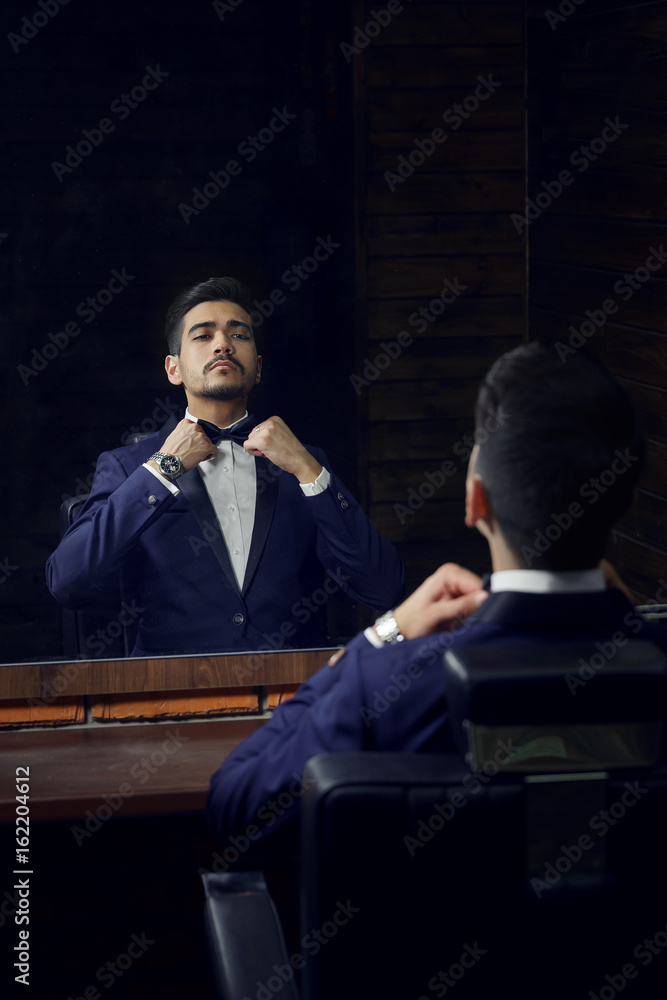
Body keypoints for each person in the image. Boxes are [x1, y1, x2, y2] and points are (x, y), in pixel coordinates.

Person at [206, 340, 667, 847]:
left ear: (475, 502)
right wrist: (634, 628)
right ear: (627, 503)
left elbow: (234, 806)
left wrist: (381, 639)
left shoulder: (383, 684)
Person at [46, 277, 404, 656]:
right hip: (167, 697)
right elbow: (67, 582)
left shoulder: (304, 463)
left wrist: (308, 471)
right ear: (174, 369)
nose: (223, 344)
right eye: (202, 336)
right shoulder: (127, 466)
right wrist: (164, 468)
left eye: (239, 335)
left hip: (298, 698)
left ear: (258, 367)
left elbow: (381, 588)